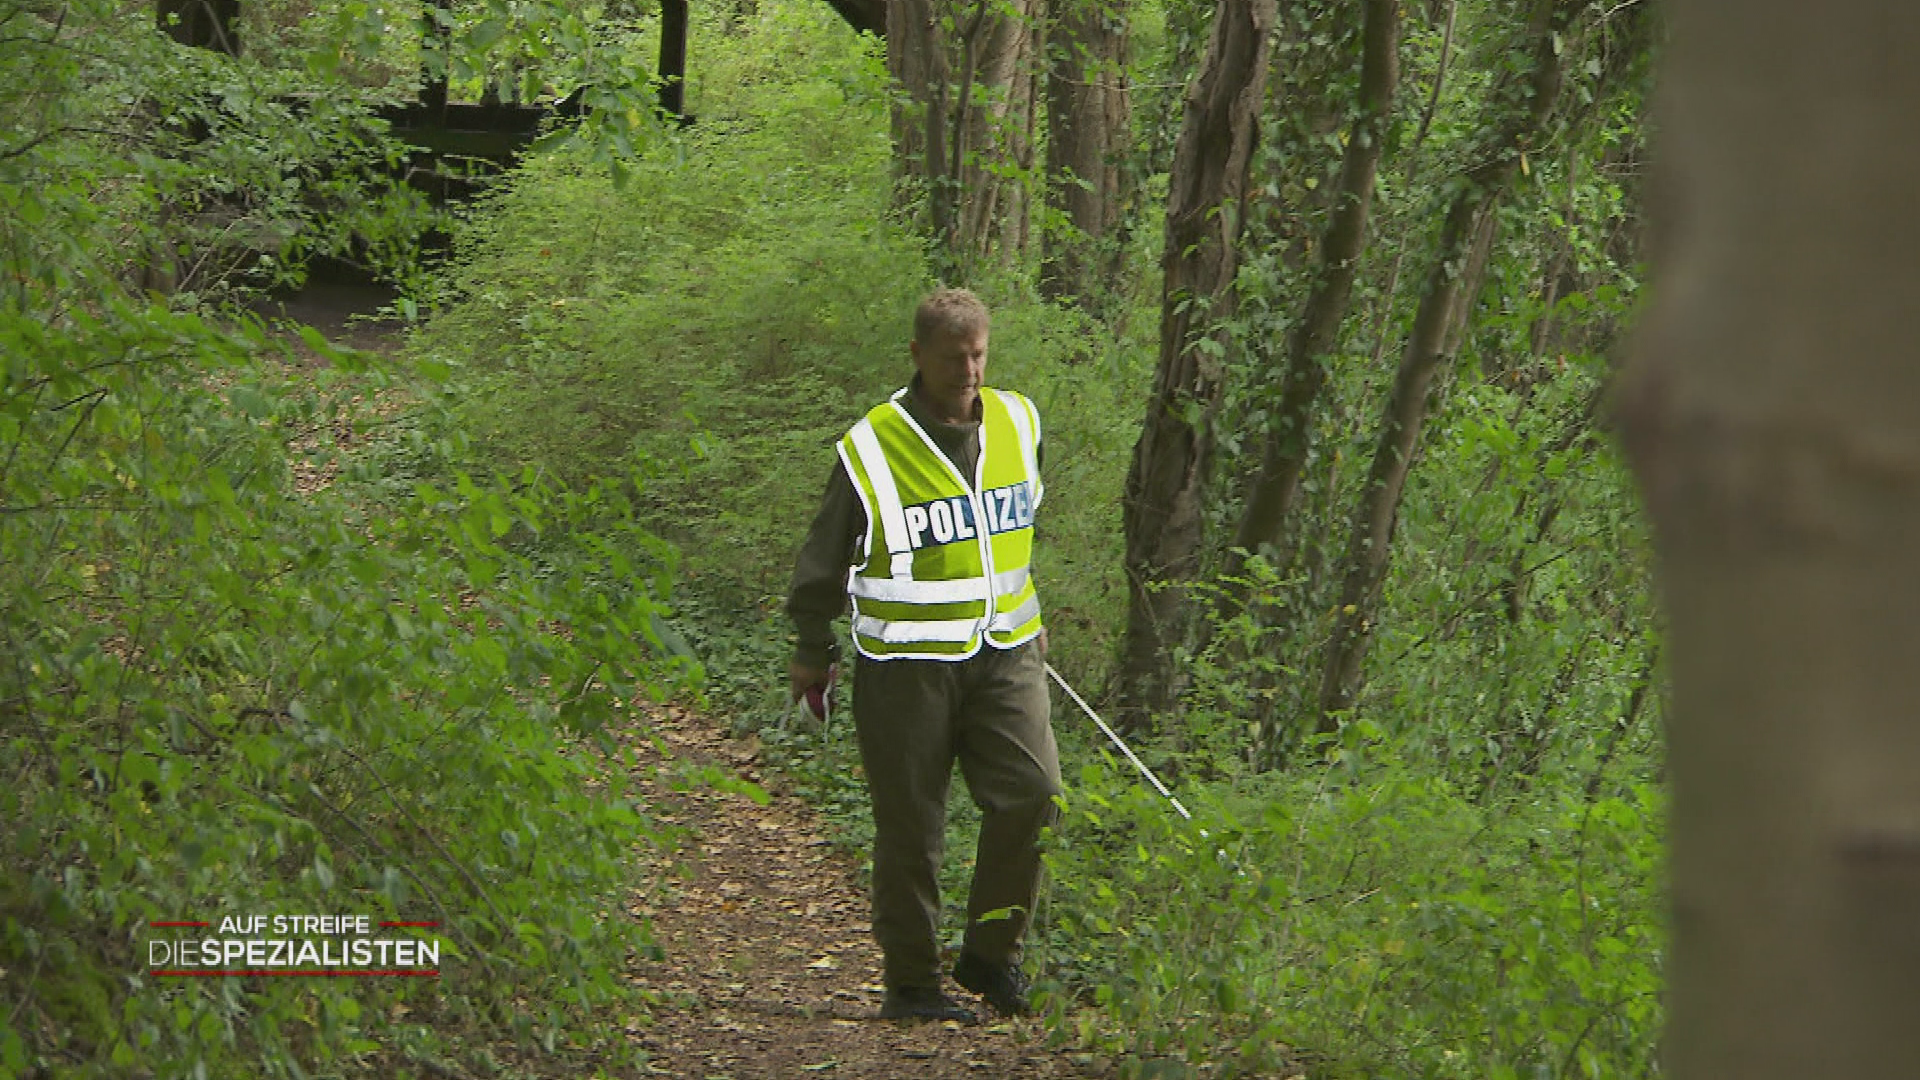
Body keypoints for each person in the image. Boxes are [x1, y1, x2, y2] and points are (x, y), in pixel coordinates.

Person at [785, 288, 1061, 1023]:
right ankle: (911, 983)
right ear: (917, 356)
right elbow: (823, 558)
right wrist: (813, 648)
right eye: (952, 359)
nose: (969, 372)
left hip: (1006, 653)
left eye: (978, 356)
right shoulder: (873, 446)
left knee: (1035, 793)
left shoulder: (1018, 420)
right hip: (905, 666)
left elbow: (1019, 528)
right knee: (912, 826)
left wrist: (1028, 611)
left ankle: (989, 957)